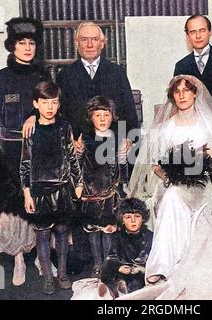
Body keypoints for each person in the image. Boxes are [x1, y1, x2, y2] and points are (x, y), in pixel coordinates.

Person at [127, 75, 212, 300]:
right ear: (172, 97)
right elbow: (156, 164)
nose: (182, 95)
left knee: (177, 198)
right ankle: (164, 265)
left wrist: (200, 168)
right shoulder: (165, 128)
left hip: (201, 184)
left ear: (195, 93)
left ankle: (164, 266)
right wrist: (168, 176)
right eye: (177, 92)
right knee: (173, 197)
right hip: (169, 183)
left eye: (187, 90)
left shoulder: (206, 125)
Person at [0, 17, 49, 287]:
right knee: (13, 208)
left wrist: (35, 115)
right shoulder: (0, 78)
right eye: (22, 43)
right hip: (9, 151)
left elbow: (52, 109)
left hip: (40, 150)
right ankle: (20, 258)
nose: (27, 48)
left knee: (41, 203)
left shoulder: (43, 75)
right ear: (12, 47)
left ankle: (41, 256)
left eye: (31, 43)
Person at [23, 21, 138, 151]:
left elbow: (128, 111)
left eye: (94, 39)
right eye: (84, 40)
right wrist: (69, 138)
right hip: (79, 147)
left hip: (112, 146)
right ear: (76, 44)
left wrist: (128, 138)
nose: (89, 45)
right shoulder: (65, 75)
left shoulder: (117, 73)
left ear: (102, 43)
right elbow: (60, 113)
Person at [20, 81, 82, 295]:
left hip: (63, 189)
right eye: (45, 102)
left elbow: (73, 158)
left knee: (63, 232)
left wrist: (79, 183)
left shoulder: (65, 128)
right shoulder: (31, 129)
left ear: (58, 104)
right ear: (35, 104)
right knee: (43, 235)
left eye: (54, 102)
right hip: (39, 192)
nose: (49, 107)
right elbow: (25, 164)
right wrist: (27, 193)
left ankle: (62, 273)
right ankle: (48, 276)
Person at [77, 96, 129, 278]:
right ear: (90, 117)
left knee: (108, 230)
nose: (102, 119)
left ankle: (107, 262)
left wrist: (124, 186)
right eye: (97, 115)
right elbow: (78, 163)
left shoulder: (118, 138)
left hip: (110, 194)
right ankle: (97, 263)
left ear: (112, 116)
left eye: (106, 115)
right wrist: (78, 185)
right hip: (90, 194)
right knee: (92, 230)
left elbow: (122, 164)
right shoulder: (86, 137)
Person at [101, 198, 153, 295]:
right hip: (122, 275)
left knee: (136, 286)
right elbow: (110, 260)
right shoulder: (117, 237)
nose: (133, 220)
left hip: (144, 277)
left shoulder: (150, 237)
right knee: (115, 285)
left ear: (143, 218)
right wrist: (118, 268)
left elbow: (157, 262)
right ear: (123, 219)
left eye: (137, 216)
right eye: (128, 217)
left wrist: (142, 270)